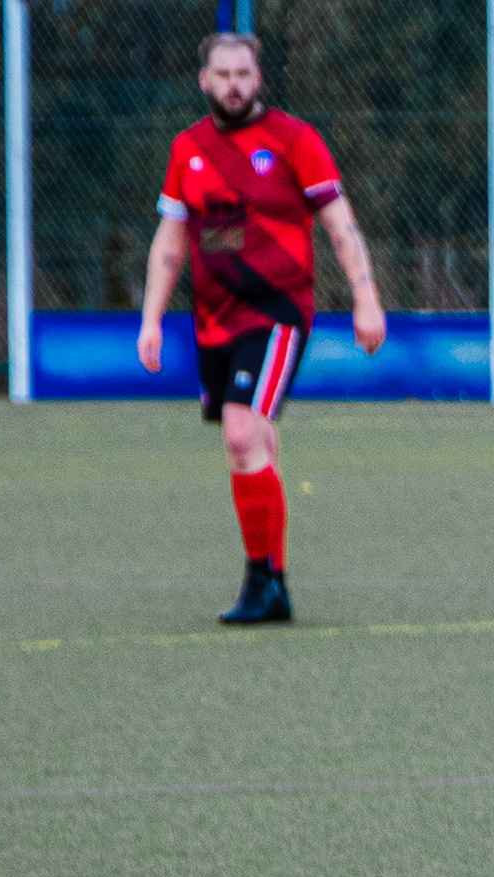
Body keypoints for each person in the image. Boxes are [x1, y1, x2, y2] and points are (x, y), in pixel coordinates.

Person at [134, 32, 386, 626]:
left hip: (278, 312)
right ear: (204, 80)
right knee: (255, 442)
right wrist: (151, 318)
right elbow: (171, 240)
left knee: (242, 432)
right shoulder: (188, 149)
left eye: (243, 74)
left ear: (259, 78)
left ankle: (261, 580)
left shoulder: (294, 141)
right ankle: (274, 584)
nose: (234, 85)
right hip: (214, 320)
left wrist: (366, 297)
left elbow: (340, 224)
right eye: (223, 75)